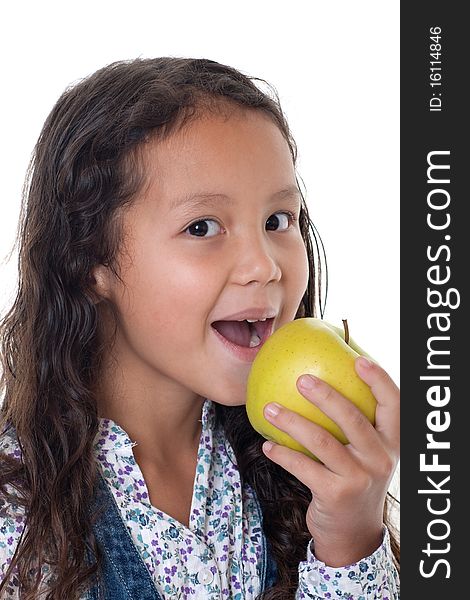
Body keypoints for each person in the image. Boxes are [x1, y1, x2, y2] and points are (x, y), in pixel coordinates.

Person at [0, 57, 400, 599]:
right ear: (89, 259)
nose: (265, 265)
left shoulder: (296, 482)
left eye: (278, 220)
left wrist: (351, 541)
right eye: (203, 226)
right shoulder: (16, 518)